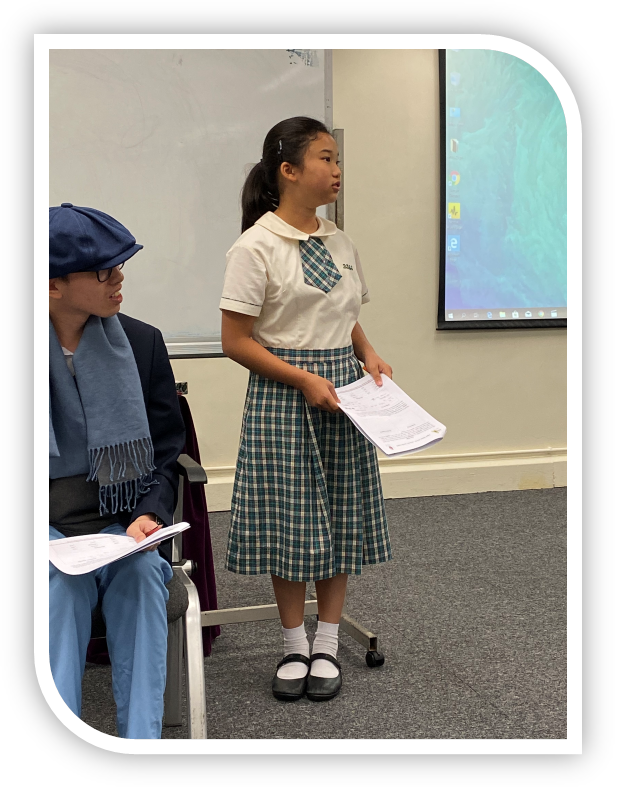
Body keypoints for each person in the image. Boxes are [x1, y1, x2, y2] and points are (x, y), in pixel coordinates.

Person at [220, 117, 393, 702]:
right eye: (325, 158)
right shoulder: (255, 246)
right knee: (290, 521)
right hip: (285, 395)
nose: (337, 169)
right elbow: (236, 341)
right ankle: (294, 644)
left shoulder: (340, 241)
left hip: (344, 394)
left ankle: (328, 641)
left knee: (340, 515)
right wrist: (302, 379)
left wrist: (368, 354)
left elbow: (344, 314)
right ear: (288, 170)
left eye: (337, 158)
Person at [48, 203, 185, 738]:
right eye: (104, 271)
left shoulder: (142, 342)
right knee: (58, 587)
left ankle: (141, 740)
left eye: (121, 266)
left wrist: (149, 514)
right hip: (48, 530)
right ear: (53, 286)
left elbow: (167, 453)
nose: (120, 278)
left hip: (121, 523)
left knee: (142, 578)